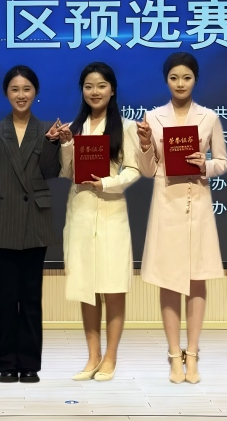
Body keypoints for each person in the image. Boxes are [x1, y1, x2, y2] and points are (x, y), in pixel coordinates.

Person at [136, 51, 227, 384]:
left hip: (197, 202)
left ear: (195, 80)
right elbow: (148, 170)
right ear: (166, 81)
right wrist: (145, 145)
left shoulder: (209, 117)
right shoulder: (152, 117)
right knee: (169, 280)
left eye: (186, 78)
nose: (180, 84)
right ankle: (174, 355)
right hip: (167, 205)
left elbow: (223, 162)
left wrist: (205, 164)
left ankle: (193, 354)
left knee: (197, 279)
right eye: (174, 78)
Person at [0, 65, 62, 384]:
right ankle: (7, 364)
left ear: (35, 92)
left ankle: (30, 364)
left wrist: (53, 144)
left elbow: (50, 172)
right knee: (7, 298)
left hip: (36, 220)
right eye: (15, 89)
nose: (21, 95)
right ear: (6, 93)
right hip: (4, 220)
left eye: (26, 89)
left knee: (32, 298)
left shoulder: (47, 129)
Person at [57, 62, 141, 382]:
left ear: (112, 90)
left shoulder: (126, 127)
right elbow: (67, 172)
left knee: (113, 288)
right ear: (82, 90)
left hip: (110, 214)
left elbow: (133, 170)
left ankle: (110, 357)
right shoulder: (75, 128)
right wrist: (66, 144)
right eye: (89, 86)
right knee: (86, 289)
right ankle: (92, 357)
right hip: (80, 213)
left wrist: (106, 182)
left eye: (101, 85)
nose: (95, 91)